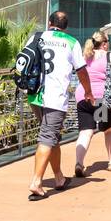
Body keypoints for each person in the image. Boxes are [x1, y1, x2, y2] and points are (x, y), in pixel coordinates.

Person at [28, 10, 93, 200]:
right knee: (48, 136)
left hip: (35, 95)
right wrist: (88, 91)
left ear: (50, 23)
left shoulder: (37, 36)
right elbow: (81, 71)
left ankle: (58, 177)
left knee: (52, 136)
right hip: (55, 98)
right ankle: (36, 182)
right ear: (66, 26)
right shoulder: (71, 42)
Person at [74, 31, 111, 176]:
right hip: (100, 99)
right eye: (108, 41)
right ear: (104, 43)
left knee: (85, 132)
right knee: (109, 130)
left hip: (83, 98)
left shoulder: (85, 56)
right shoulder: (109, 56)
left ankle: (79, 163)